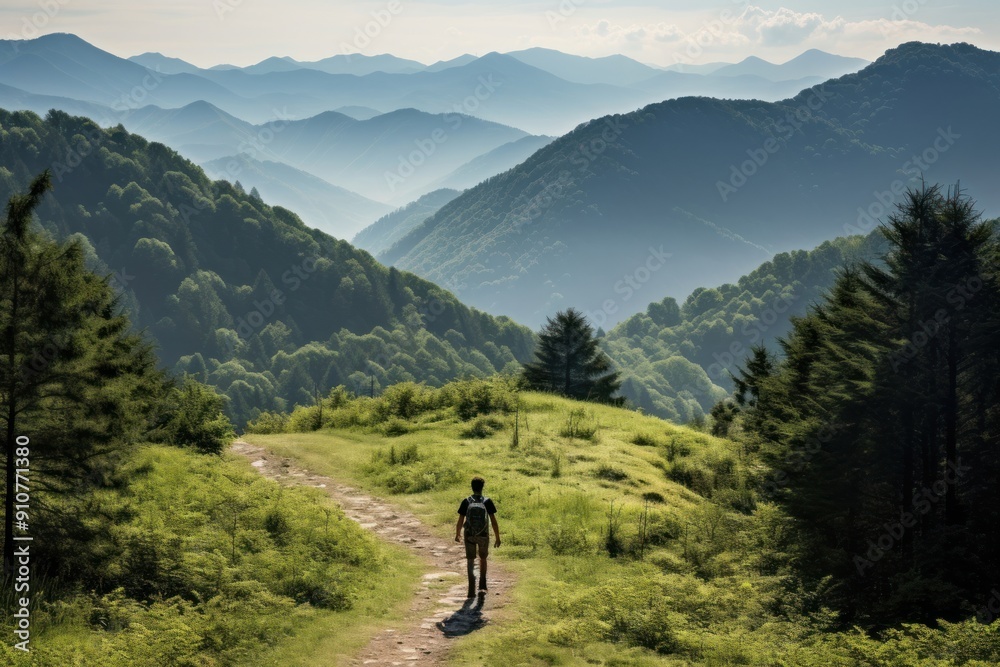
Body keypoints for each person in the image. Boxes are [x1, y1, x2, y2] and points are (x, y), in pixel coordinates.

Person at [455, 475, 500, 597]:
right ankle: (482, 584)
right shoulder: (487, 502)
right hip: (483, 534)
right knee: (483, 558)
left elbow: (460, 520)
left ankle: (471, 589)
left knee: (470, 560)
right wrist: (497, 537)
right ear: (482, 487)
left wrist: (457, 533)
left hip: (469, 534)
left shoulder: (466, 501)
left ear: (472, 487)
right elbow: (493, 521)